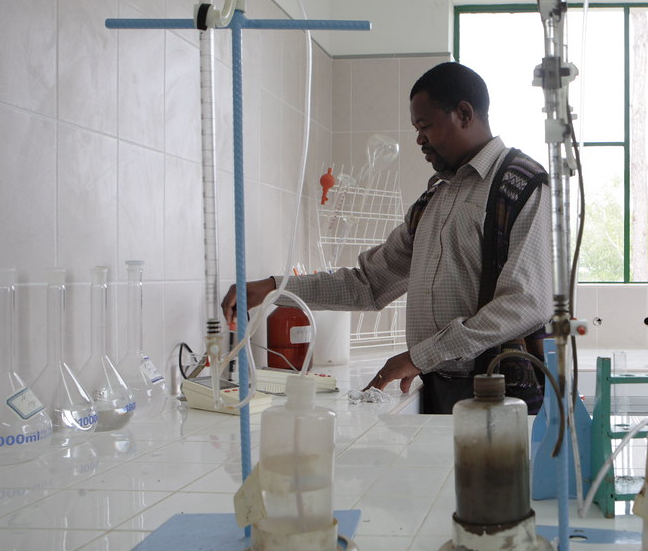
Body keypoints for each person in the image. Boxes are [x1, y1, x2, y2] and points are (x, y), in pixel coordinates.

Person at [222, 62, 553, 414]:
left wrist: (421, 355)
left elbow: (527, 303)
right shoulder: (434, 199)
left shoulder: (521, 184)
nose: (419, 139)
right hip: (441, 386)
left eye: (425, 126)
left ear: (464, 114)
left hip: (502, 395)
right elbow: (367, 284)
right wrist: (274, 288)